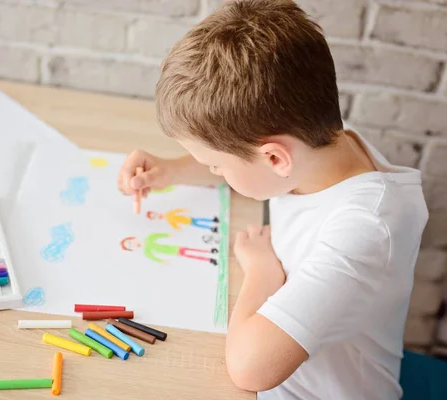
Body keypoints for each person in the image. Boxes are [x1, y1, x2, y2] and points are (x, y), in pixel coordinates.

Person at [117, 1, 428, 398]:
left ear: (276, 157)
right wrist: (174, 170)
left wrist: (264, 272)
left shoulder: (367, 228)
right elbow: (255, 168)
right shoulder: (318, 137)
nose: (214, 171)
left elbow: (251, 369)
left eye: (215, 165)